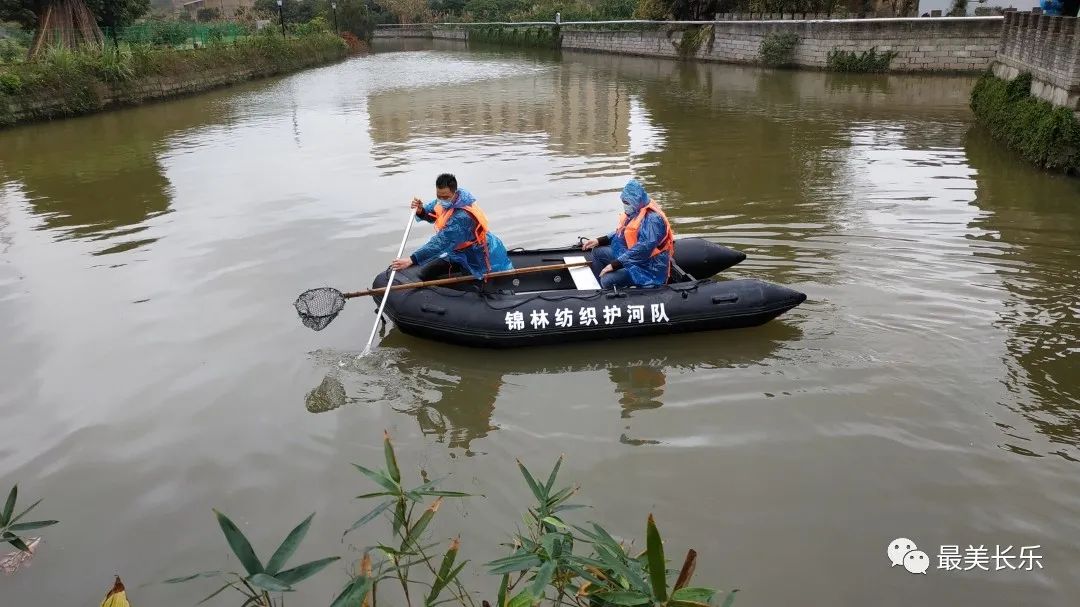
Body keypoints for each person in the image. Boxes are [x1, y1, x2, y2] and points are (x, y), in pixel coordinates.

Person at [390, 173, 513, 280]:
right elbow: (432, 214)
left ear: (455, 193)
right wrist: (421, 211)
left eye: (445, 197)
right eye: (439, 196)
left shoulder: (462, 217)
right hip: (457, 252)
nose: (441, 199)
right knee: (433, 268)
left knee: (477, 282)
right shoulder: (444, 202)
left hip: (477, 254)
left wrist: (412, 259)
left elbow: (441, 242)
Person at [581, 179, 674, 289]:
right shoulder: (635, 211)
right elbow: (624, 231)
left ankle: (611, 295)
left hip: (648, 266)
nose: (625, 206)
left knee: (607, 280)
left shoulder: (653, 220)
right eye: (624, 202)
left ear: (636, 201)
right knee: (597, 252)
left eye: (627, 203)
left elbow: (643, 249)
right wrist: (600, 240)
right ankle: (597, 289)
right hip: (633, 257)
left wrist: (615, 264)